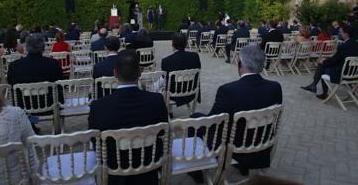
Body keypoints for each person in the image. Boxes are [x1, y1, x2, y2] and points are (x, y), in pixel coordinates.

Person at [190, 44, 282, 179]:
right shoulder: (276, 87)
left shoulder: (228, 90)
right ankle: (244, 167)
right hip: (262, 142)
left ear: (240, 64)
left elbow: (212, 122)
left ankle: (196, 171)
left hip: (234, 147)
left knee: (195, 118)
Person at [88, 50, 168, 185]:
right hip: (149, 161)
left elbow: (94, 139)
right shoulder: (156, 100)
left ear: (115, 73)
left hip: (114, 165)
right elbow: (162, 132)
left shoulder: (98, 106)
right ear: (140, 72)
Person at [301, 24, 358, 99]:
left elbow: (335, 60)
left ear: (346, 34)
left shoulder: (343, 47)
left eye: (341, 32)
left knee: (323, 66)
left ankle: (321, 91)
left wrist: (323, 61)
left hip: (343, 73)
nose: (340, 34)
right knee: (324, 63)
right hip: (355, 73)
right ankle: (314, 85)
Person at [7, 34, 63, 108]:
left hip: (23, 108)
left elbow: (11, 86)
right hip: (51, 106)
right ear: (43, 48)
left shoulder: (13, 66)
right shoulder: (53, 64)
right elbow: (60, 85)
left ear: (26, 48)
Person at [161, 33, 201, 108]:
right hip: (191, 91)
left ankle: (167, 110)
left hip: (173, 93)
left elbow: (164, 78)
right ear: (186, 44)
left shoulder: (166, 61)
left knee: (159, 82)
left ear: (172, 44)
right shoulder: (195, 56)